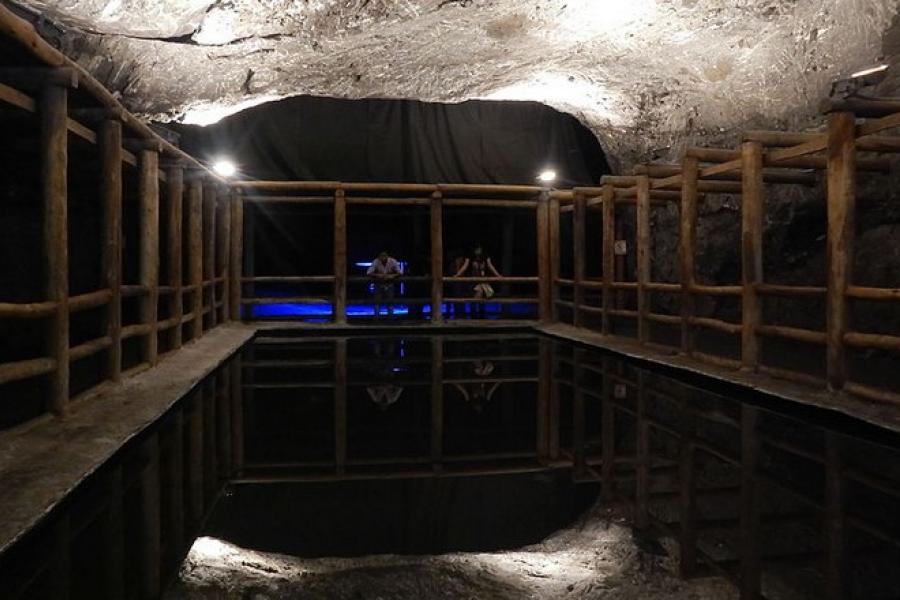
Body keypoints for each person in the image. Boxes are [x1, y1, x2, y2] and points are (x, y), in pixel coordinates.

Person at [454, 245, 501, 318]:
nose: (478, 250)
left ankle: (480, 314)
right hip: (473, 281)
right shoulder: (469, 258)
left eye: (479, 249)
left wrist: (499, 276)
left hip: (483, 281)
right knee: (478, 293)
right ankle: (475, 314)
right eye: (476, 249)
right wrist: (457, 275)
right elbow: (464, 268)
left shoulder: (485, 258)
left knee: (482, 292)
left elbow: (491, 267)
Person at [367, 251, 402, 318]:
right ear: (379, 257)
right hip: (378, 284)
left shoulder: (393, 261)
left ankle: (390, 319)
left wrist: (392, 276)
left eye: (385, 256)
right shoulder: (376, 261)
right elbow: (369, 272)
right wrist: (378, 275)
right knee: (377, 302)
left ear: (387, 256)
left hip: (389, 284)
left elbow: (400, 272)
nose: (383, 257)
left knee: (390, 302)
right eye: (381, 256)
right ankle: (376, 319)